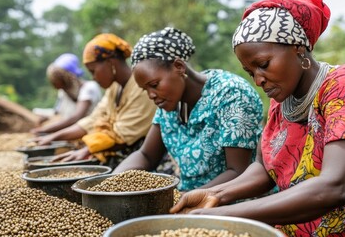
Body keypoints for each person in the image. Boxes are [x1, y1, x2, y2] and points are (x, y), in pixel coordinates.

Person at [170, 0, 345, 236]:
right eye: (250, 71)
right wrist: (216, 194)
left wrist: (219, 215)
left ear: (298, 49)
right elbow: (264, 169)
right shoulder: (281, 101)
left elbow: (334, 187)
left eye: (263, 64)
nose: (258, 80)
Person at [113, 27, 264, 192]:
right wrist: (112, 182)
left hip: (234, 205)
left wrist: (186, 198)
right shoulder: (169, 104)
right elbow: (146, 156)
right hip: (187, 200)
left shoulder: (231, 94)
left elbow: (237, 172)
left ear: (179, 66)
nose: (151, 95)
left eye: (154, 85)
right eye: (145, 89)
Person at [35, 34, 157, 168]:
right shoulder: (114, 89)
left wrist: (86, 150)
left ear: (111, 63)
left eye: (93, 71)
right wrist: (53, 137)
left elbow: (123, 134)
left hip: (142, 161)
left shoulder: (141, 88)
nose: (93, 78)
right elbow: (92, 120)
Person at [31, 53, 102, 134]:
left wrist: (44, 129)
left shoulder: (89, 88)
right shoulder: (63, 92)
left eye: (63, 85)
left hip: (90, 133)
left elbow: (76, 117)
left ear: (71, 78)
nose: (62, 89)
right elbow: (57, 112)